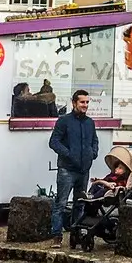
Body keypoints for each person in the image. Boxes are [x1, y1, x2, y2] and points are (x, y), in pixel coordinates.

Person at [48, 89, 99, 240]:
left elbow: (94, 140)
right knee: (61, 203)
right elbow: (53, 142)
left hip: (84, 169)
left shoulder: (90, 122)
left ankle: (76, 235)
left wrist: (93, 153)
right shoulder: (64, 121)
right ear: (74, 103)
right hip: (67, 169)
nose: (85, 105)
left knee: (80, 203)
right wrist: (69, 154)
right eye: (82, 102)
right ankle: (57, 235)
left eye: (87, 102)